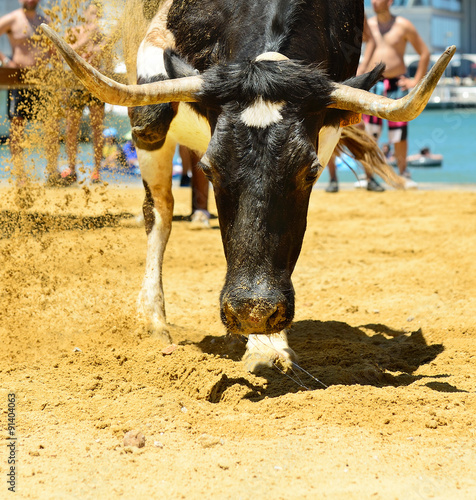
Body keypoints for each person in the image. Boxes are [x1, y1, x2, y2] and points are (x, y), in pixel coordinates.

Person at [363, 0, 430, 189]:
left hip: (396, 84)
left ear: (390, 1)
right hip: (373, 83)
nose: (374, 2)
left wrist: (415, 81)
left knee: (399, 132)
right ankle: (369, 177)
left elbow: (424, 53)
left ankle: (403, 174)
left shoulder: (403, 25)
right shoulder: (368, 26)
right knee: (370, 133)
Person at [0, 0, 59, 187]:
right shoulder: (12, 19)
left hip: (43, 80)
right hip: (19, 79)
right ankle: (20, 176)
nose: (31, 0)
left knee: (52, 126)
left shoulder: (45, 21)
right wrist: (5, 60)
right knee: (17, 128)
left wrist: (58, 76)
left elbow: (54, 50)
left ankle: (52, 172)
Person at [326, 15, 385, 193]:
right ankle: (333, 179)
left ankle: (370, 177)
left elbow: (371, 39)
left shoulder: (354, 9)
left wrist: (364, 66)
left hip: (349, 75)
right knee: (326, 127)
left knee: (358, 126)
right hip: (328, 74)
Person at [62, 1, 109, 185]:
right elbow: (66, 53)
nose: (95, 17)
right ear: (85, 14)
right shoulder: (73, 32)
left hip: (95, 84)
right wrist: (88, 38)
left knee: (97, 128)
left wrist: (98, 47)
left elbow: (106, 62)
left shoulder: (103, 37)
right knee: (71, 128)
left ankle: (96, 170)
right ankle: (72, 168)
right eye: (92, 13)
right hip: (75, 83)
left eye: (98, 14)